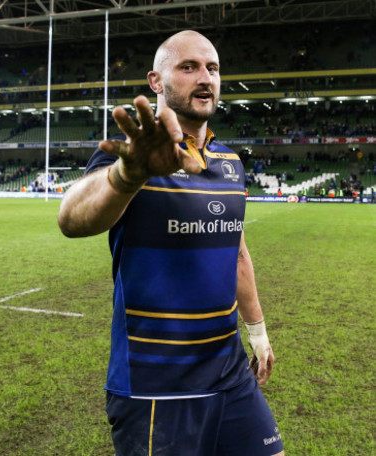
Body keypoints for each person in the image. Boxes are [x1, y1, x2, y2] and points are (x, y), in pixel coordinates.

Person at [58, 30, 284, 456]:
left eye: (212, 68)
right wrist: (130, 174)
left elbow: (235, 250)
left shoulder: (230, 162)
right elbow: (70, 218)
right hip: (155, 382)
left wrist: (257, 331)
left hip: (228, 371)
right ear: (156, 81)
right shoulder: (128, 156)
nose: (206, 77)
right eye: (189, 67)